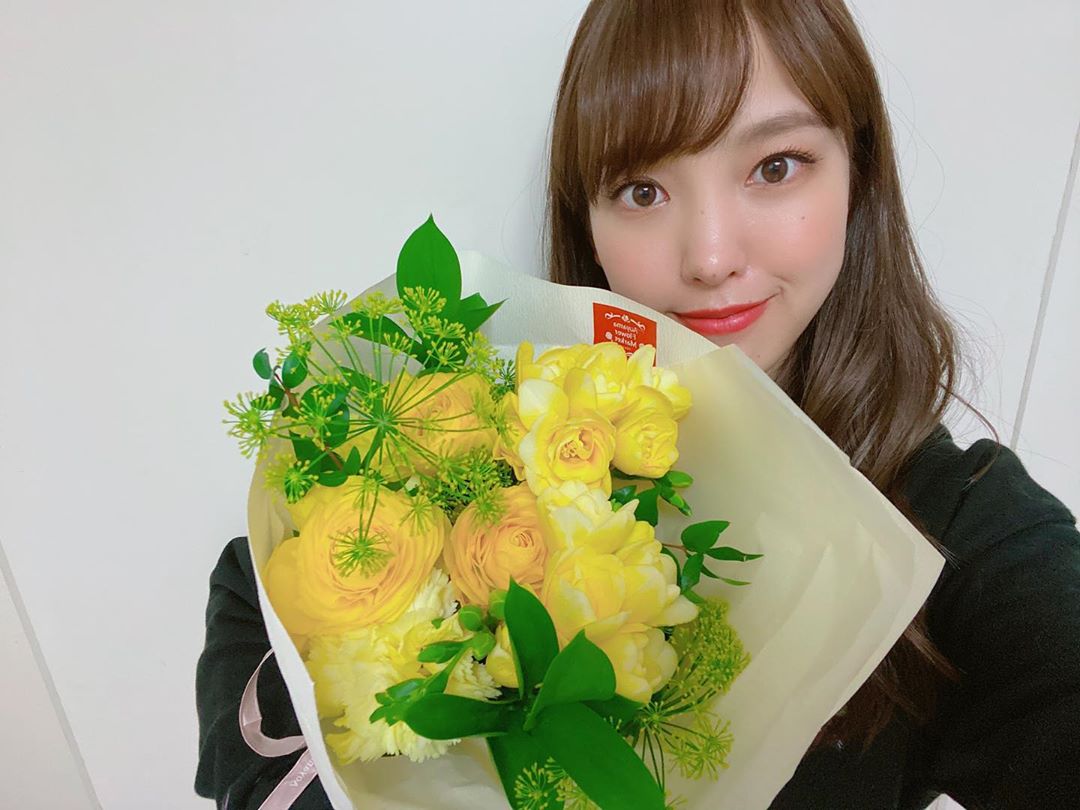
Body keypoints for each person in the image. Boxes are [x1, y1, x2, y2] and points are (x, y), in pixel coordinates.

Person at [196, 1, 1080, 807]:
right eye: (643, 190)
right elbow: (255, 602)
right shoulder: (446, 464)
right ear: (586, 220)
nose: (709, 256)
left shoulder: (955, 531)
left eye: (775, 166)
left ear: (859, 176)